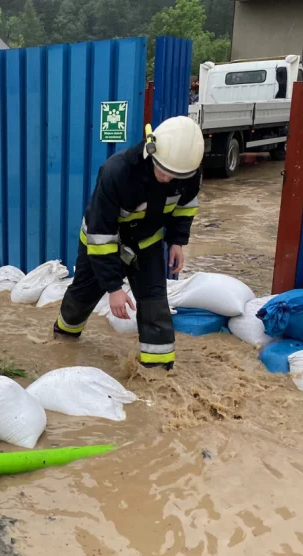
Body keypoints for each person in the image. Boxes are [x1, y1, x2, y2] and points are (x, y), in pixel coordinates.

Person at [53, 116, 204, 369]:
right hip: (102, 242)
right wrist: (114, 288)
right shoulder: (117, 172)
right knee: (83, 296)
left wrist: (177, 241)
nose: (168, 179)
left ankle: (157, 373)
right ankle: (62, 341)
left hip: (146, 243)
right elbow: (100, 235)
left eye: (175, 175)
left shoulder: (187, 172)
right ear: (151, 152)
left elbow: (185, 208)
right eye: (164, 171)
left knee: (155, 303)